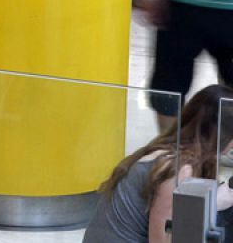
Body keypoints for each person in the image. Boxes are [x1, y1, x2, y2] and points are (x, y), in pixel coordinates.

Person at [85, 85, 233, 242]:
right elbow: (161, 239)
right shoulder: (177, 168)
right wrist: (212, 205)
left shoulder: (176, 151)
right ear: (221, 135)